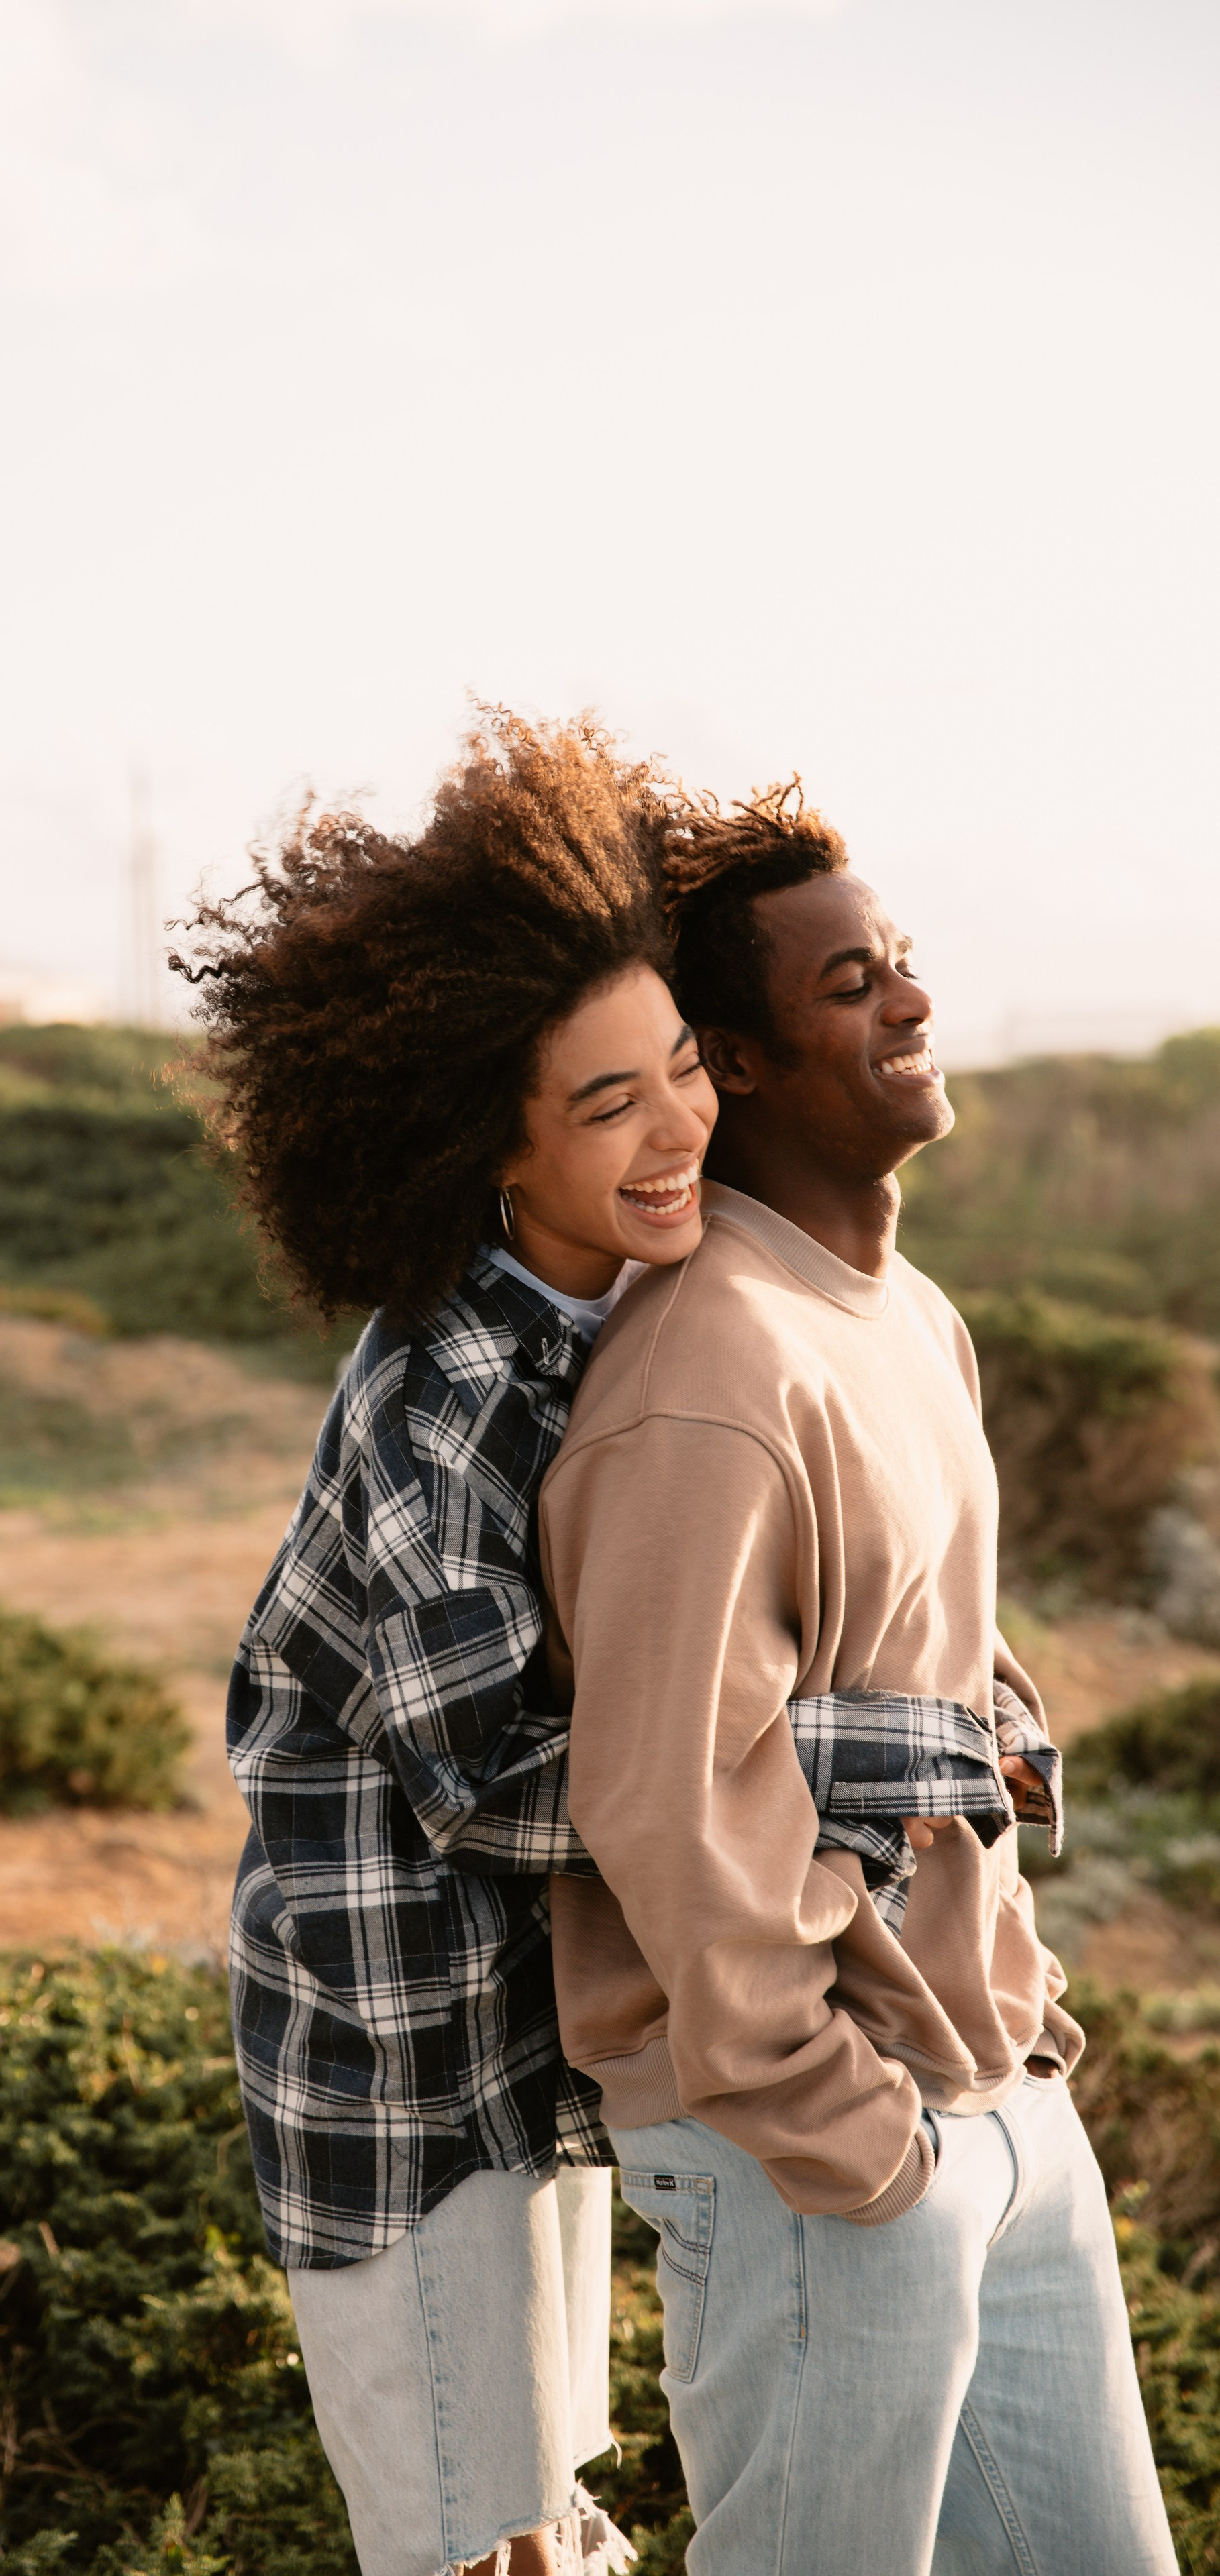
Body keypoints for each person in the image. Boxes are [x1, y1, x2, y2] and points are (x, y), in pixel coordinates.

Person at [538, 784, 1177, 2574]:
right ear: (732, 1063)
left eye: (897, 961)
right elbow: (664, 1796)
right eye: (850, 983)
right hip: (817, 2154)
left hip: (994, 2094)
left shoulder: (907, 1311)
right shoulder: (706, 1374)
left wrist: (1015, 2029)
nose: (908, 1000)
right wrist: (840, 2128)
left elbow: (949, 1689)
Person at [172, 712, 719, 2576]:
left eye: (687, 1065)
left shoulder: (622, 1313)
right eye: (609, 1103)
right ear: (492, 1141)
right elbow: (488, 1787)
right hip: (404, 2090)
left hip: (524, 2054)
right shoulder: (444, 1405)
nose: (680, 1126)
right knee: (479, 2554)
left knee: (555, 2521)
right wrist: (822, 1785)